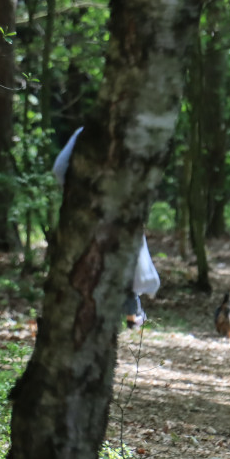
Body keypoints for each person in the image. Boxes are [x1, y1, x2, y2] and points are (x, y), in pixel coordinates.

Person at [53, 126, 161, 327]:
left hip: (84, 210)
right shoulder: (129, 134)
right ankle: (130, 313)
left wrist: (75, 195)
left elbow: (59, 169)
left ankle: (96, 314)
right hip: (115, 208)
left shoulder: (84, 132)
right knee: (124, 255)